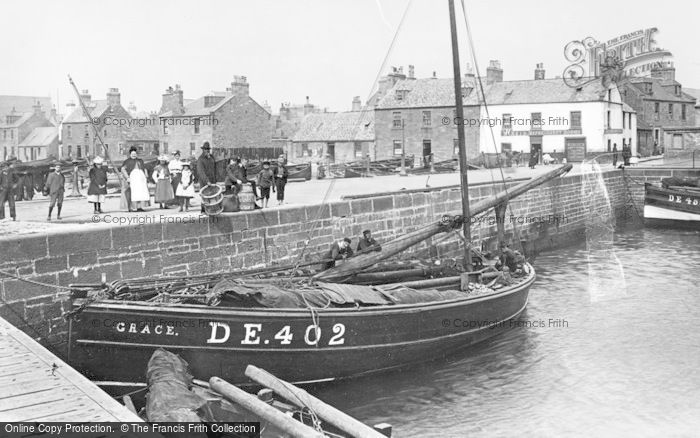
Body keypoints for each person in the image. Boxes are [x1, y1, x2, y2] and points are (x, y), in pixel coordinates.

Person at [121, 146, 150, 212]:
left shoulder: (140, 161)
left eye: (135, 154)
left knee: (140, 192)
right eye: (132, 154)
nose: (134, 155)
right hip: (133, 178)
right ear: (130, 154)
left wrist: (146, 176)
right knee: (133, 192)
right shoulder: (127, 161)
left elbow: (144, 168)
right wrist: (127, 177)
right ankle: (131, 207)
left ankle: (139, 207)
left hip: (140, 178)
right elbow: (123, 169)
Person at [196, 142, 217, 213]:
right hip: (204, 181)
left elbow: (215, 169)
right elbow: (201, 172)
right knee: (205, 195)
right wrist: (206, 180)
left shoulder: (211, 157)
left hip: (212, 179)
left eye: (208, 149)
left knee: (212, 195)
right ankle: (203, 209)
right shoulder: (200, 159)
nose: (207, 151)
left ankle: (211, 209)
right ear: (203, 150)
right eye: (205, 149)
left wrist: (215, 179)